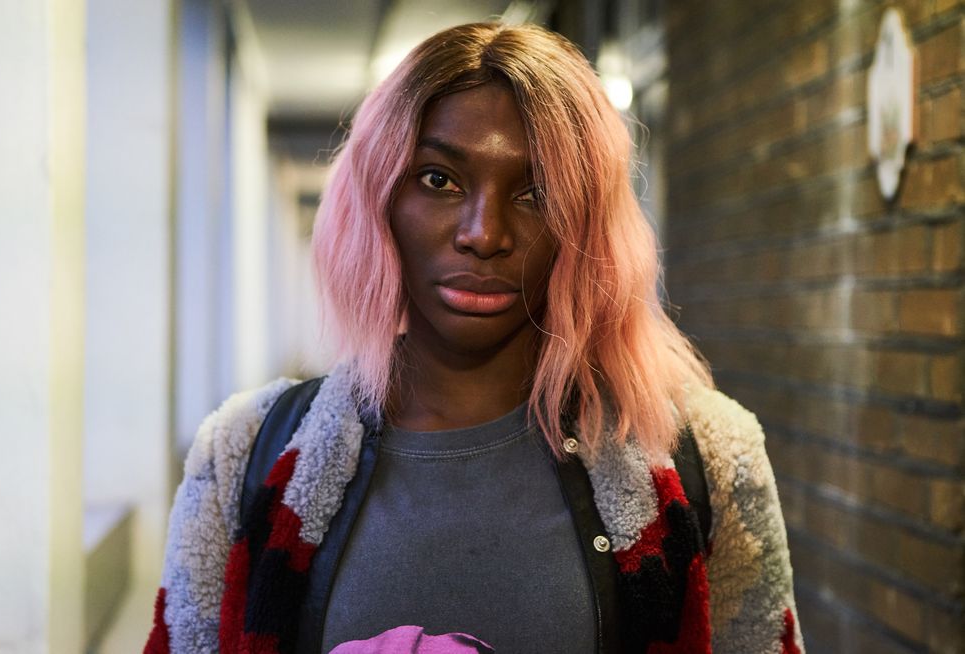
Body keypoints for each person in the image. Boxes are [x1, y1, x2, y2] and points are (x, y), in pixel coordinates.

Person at [144, 21, 804, 654]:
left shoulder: (706, 460)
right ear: (378, 200)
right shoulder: (245, 454)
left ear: (587, 225)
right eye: (439, 179)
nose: (484, 234)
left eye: (535, 191)